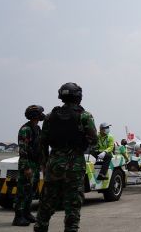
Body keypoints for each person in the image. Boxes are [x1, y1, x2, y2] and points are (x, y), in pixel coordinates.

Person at [33, 82, 98, 232]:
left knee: (47, 202)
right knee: (73, 204)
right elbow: (94, 140)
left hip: (54, 164)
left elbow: (42, 143)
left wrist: (44, 165)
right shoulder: (85, 116)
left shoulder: (49, 117)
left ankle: (40, 227)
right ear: (78, 97)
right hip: (74, 165)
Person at [12, 105, 45, 226]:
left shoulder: (37, 128)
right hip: (27, 163)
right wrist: (26, 167)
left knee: (31, 190)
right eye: (41, 113)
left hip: (35, 163)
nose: (43, 115)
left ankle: (27, 213)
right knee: (23, 191)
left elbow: (39, 147)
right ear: (35, 115)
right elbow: (23, 149)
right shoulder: (26, 129)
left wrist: (42, 164)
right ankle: (18, 216)